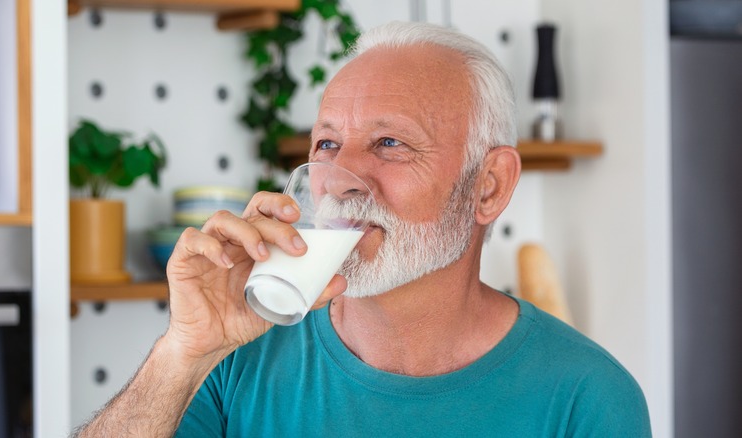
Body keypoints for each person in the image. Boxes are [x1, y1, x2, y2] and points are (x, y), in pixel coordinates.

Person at [75, 21, 651, 437]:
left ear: (490, 186)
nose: (336, 179)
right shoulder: (236, 360)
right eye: (327, 144)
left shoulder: (587, 398)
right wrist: (182, 353)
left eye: (390, 143)